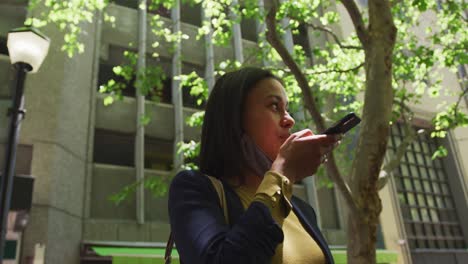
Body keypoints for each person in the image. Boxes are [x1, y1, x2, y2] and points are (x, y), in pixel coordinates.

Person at [168, 67, 340, 264]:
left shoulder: (302, 209)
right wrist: (282, 170)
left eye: (287, 109)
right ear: (235, 118)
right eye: (275, 106)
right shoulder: (193, 189)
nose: (289, 119)